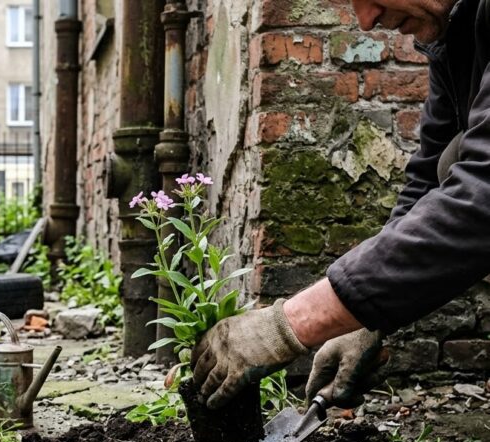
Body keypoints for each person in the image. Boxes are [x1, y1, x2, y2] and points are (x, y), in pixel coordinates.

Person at [191, 0, 490, 410]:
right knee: (447, 160)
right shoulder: (454, 32)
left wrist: (288, 325)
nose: (366, 20)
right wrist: (367, 317)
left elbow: (481, 193)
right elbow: (427, 182)